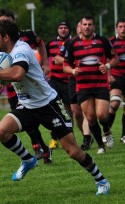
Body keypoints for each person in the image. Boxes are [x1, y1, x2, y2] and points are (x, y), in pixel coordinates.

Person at [0, 19, 110, 195]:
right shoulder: (6, 53)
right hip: (28, 106)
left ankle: (102, 181)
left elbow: (18, 73)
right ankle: (28, 160)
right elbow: (14, 75)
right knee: (1, 131)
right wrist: (1, 81)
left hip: (49, 105)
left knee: (73, 151)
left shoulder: (21, 50)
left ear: (6, 37)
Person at [0, 8, 51, 163]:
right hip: (13, 89)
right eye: (1, 22)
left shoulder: (27, 36)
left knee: (42, 117)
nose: (4, 24)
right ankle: (40, 148)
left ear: (14, 21)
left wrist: (45, 62)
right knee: (23, 120)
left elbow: (41, 44)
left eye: (7, 21)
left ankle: (42, 146)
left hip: (33, 86)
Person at [63, 16, 119, 154]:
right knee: (91, 118)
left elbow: (115, 58)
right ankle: (101, 146)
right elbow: (65, 65)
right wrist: (73, 71)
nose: (87, 27)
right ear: (80, 26)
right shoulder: (72, 44)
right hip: (82, 87)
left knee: (102, 115)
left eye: (90, 24)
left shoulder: (102, 41)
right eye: (85, 24)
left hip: (100, 85)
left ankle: (107, 130)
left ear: (94, 27)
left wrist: (107, 65)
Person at [55, 21, 94, 151]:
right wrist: (71, 61)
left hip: (89, 80)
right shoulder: (69, 43)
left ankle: (87, 138)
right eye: (79, 26)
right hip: (73, 80)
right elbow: (57, 59)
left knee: (87, 110)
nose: (81, 28)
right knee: (76, 113)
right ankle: (87, 136)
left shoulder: (95, 42)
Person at [46, 21, 72, 149]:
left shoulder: (73, 43)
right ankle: (53, 138)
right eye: (60, 27)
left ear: (69, 30)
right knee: (53, 108)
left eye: (65, 28)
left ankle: (69, 135)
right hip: (54, 80)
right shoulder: (50, 44)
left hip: (69, 81)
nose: (63, 30)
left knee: (69, 110)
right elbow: (43, 58)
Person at [107, 18, 125, 143]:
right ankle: (107, 132)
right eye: (121, 26)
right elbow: (106, 59)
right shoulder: (111, 42)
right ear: (116, 28)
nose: (123, 29)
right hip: (116, 76)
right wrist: (108, 75)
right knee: (114, 104)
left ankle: (124, 135)